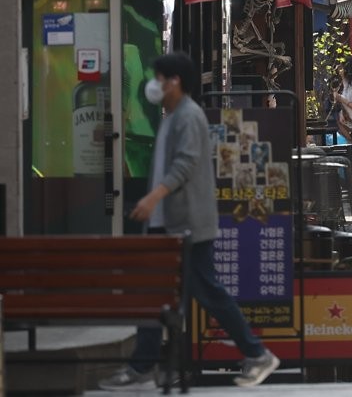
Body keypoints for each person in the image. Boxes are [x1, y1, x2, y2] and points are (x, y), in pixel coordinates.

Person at [100, 53, 280, 390]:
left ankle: (256, 354)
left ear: (174, 81)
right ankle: (143, 365)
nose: (153, 84)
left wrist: (153, 198)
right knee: (154, 294)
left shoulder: (190, 116)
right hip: (165, 224)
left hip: (186, 226)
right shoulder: (171, 117)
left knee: (206, 291)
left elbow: (185, 164)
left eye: (158, 77)